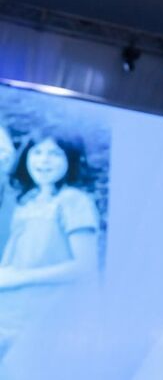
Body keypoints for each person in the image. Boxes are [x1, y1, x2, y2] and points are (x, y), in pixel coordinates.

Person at [0, 127, 100, 358]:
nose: (44, 160)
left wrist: (19, 277)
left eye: (54, 153)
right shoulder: (26, 202)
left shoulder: (74, 201)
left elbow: (85, 266)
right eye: (37, 152)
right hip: (10, 313)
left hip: (45, 320)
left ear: (70, 159)